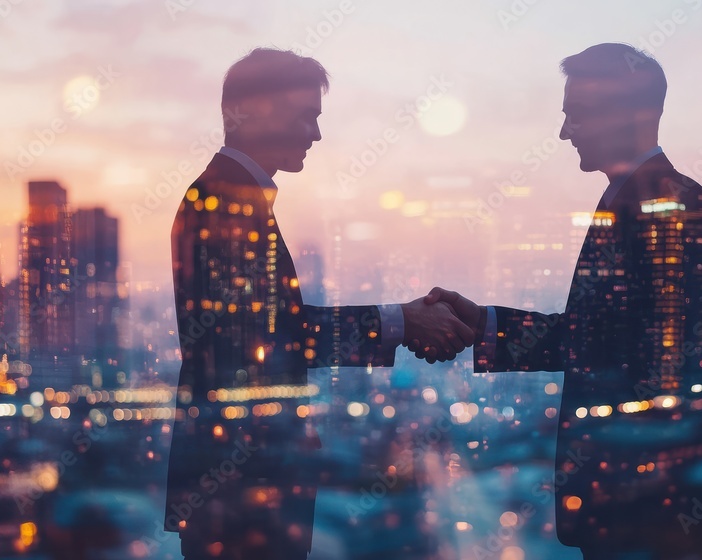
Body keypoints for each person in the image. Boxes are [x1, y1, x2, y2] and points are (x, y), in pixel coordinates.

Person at [424, 43, 702, 560]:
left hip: (644, 514)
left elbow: (647, 366)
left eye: (577, 115)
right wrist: (483, 324)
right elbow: (602, 339)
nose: (565, 133)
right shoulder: (637, 199)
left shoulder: (665, 205)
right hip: (636, 509)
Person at [165, 48, 474, 559]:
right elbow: (269, 337)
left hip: (239, 487)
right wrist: (401, 320)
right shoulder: (225, 202)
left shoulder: (230, 197)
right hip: (242, 495)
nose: (316, 133)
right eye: (305, 115)